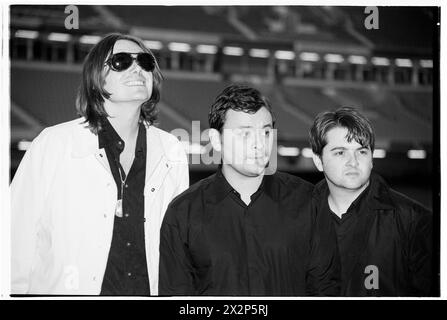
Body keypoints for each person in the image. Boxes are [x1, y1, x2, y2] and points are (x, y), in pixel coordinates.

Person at [10, 33, 189, 295]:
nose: (137, 68)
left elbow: (176, 245)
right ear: (96, 78)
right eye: (121, 62)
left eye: (145, 62)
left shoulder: (171, 150)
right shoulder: (55, 143)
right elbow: (15, 238)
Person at [158, 84, 340, 296]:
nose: (259, 144)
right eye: (245, 134)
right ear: (217, 141)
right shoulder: (183, 213)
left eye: (265, 132)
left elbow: (326, 289)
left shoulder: (309, 202)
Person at [309, 107, 435, 296]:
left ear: (371, 158)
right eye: (340, 152)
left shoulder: (414, 221)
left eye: (361, 151)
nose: (353, 162)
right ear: (318, 160)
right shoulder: (297, 217)